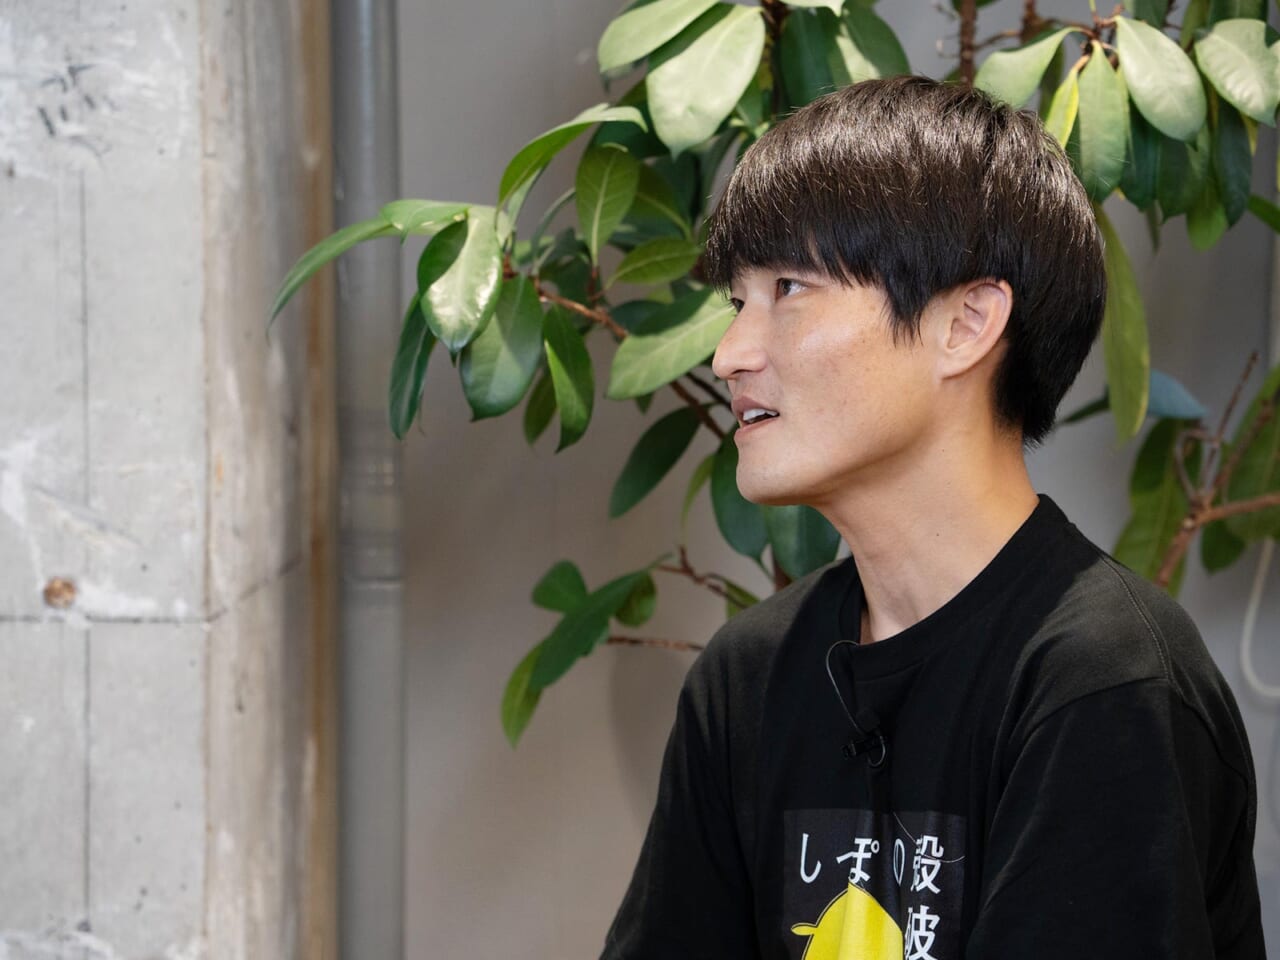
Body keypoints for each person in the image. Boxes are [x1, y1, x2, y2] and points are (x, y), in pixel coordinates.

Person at [601, 76, 1265, 959]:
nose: (729, 355)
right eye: (737, 303)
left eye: (790, 288)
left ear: (966, 323)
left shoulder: (1103, 680)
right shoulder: (747, 678)